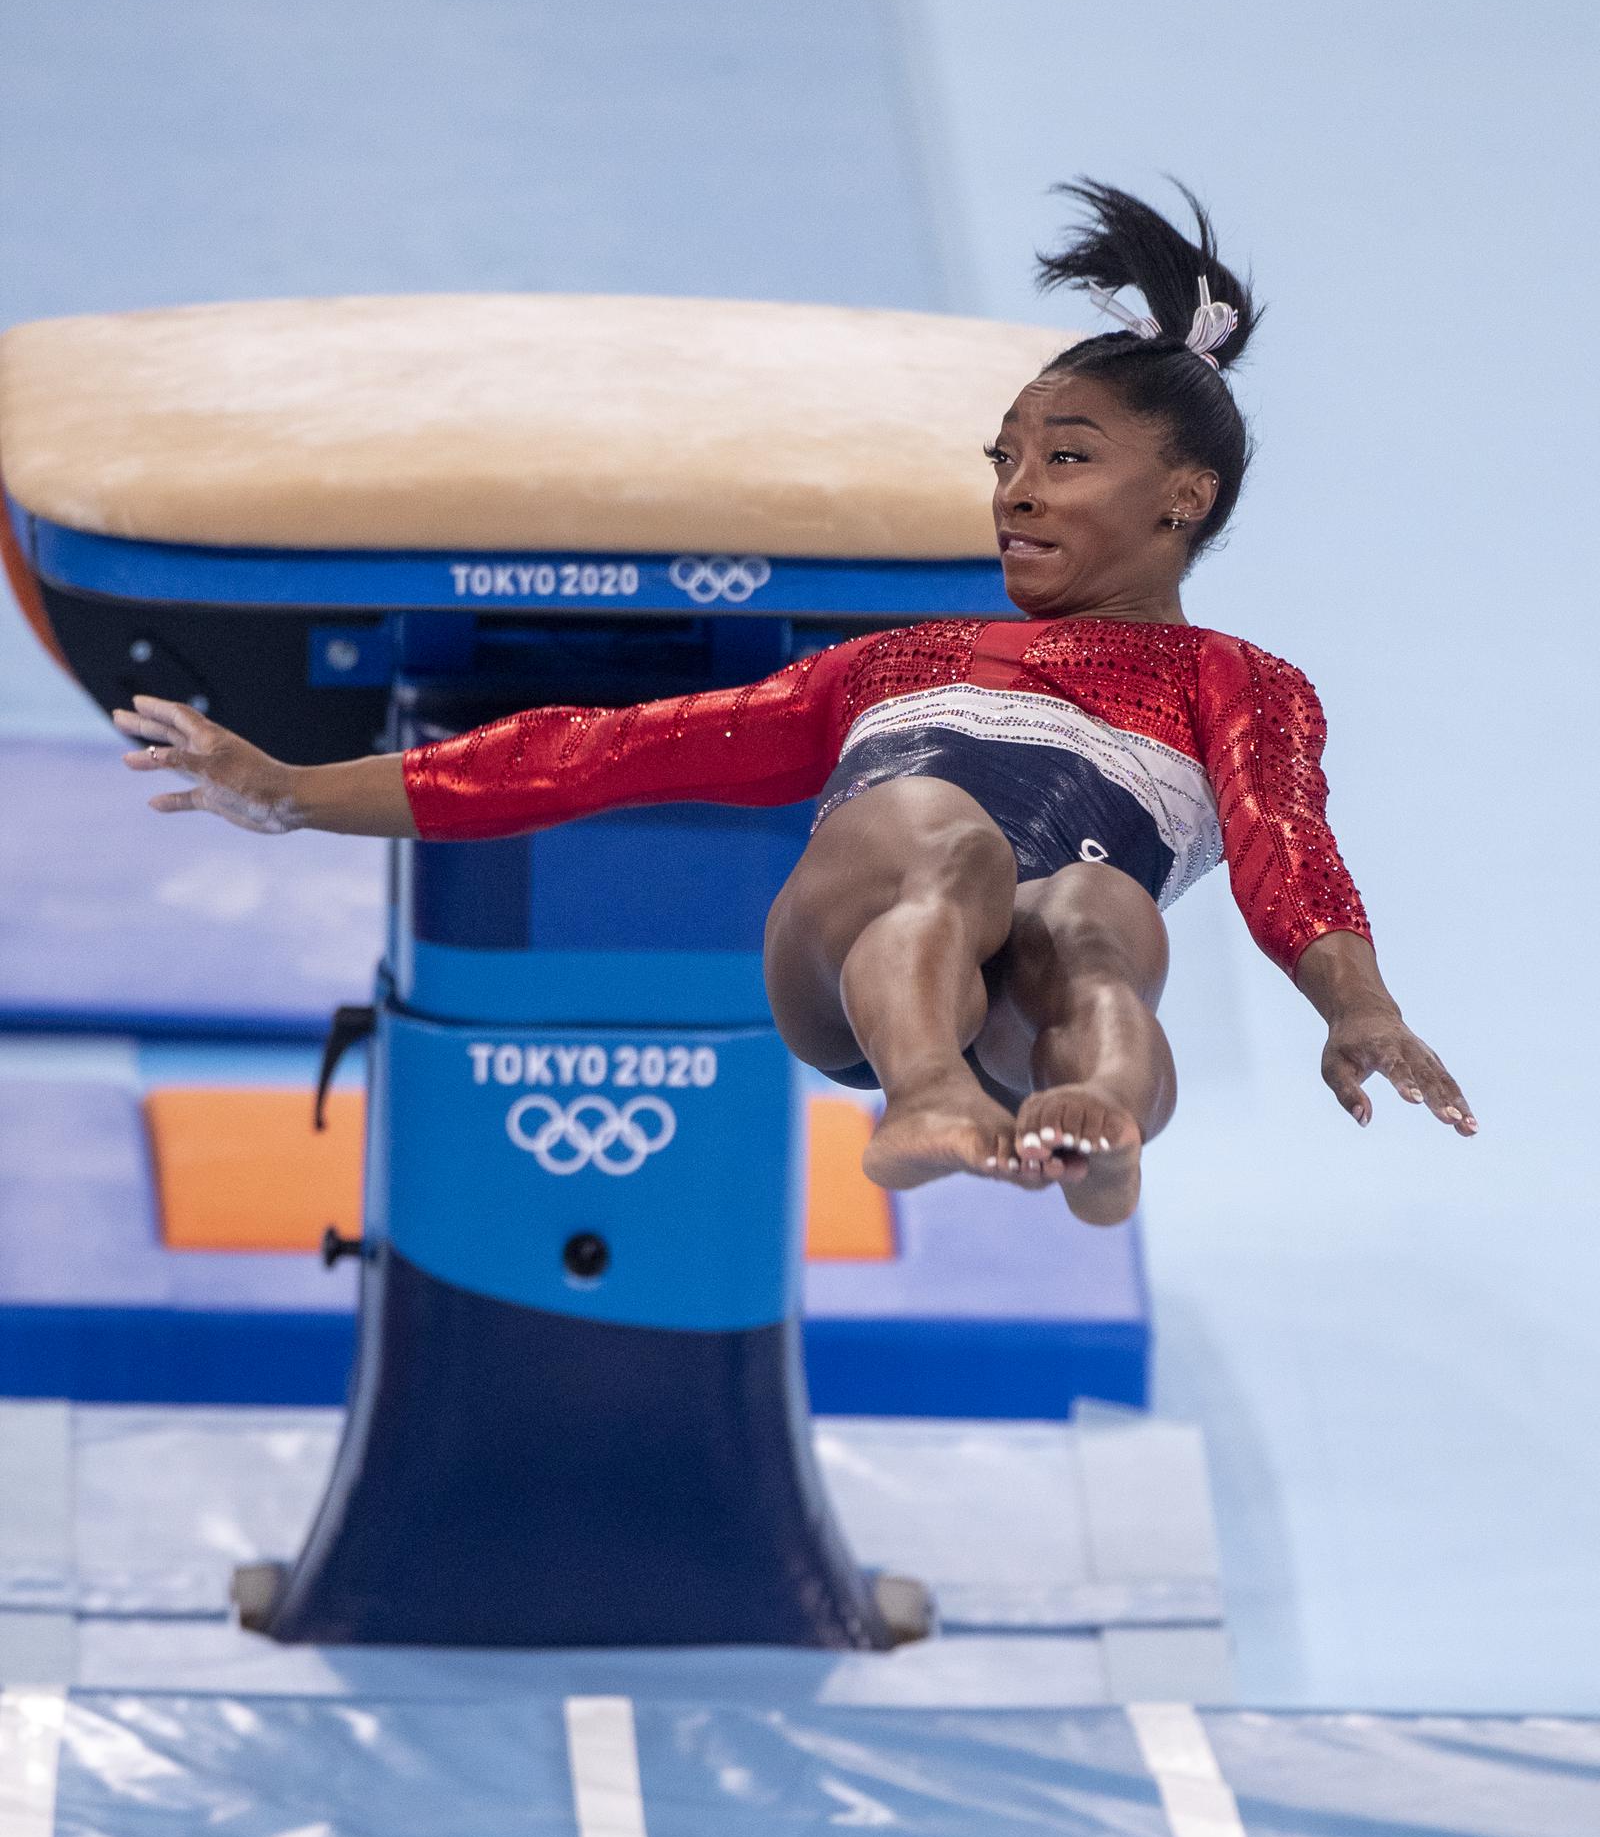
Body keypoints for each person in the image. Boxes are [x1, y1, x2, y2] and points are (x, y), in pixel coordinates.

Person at [115, 181, 1474, 1226]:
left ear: (1188, 498)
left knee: (1099, 920)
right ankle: (926, 1100)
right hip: (849, 970)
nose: (1017, 489)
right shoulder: (895, 662)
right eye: (1005, 458)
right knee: (949, 836)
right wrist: (291, 792)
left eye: (1068, 458)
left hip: (1028, 1002)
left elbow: (1289, 848)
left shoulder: (1241, 684)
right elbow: (597, 755)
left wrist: (1356, 1006)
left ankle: (1097, 1128)